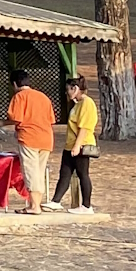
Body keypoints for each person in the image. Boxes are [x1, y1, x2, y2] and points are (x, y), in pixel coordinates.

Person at [5, 71, 56, 213]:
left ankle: (34, 207)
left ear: (15, 84)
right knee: (39, 172)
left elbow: (16, 118)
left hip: (29, 138)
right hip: (46, 138)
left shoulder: (19, 97)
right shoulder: (43, 97)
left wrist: (2, 123)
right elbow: (51, 119)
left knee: (30, 171)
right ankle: (35, 204)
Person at [48, 75, 98, 214]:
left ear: (75, 88)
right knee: (65, 173)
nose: (66, 93)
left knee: (83, 174)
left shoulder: (87, 103)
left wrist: (77, 145)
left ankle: (87, 206)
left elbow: (85, 127)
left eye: (68, 89)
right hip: (70, 145)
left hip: (81, 145)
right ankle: (56, 201)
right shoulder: (77, 104)